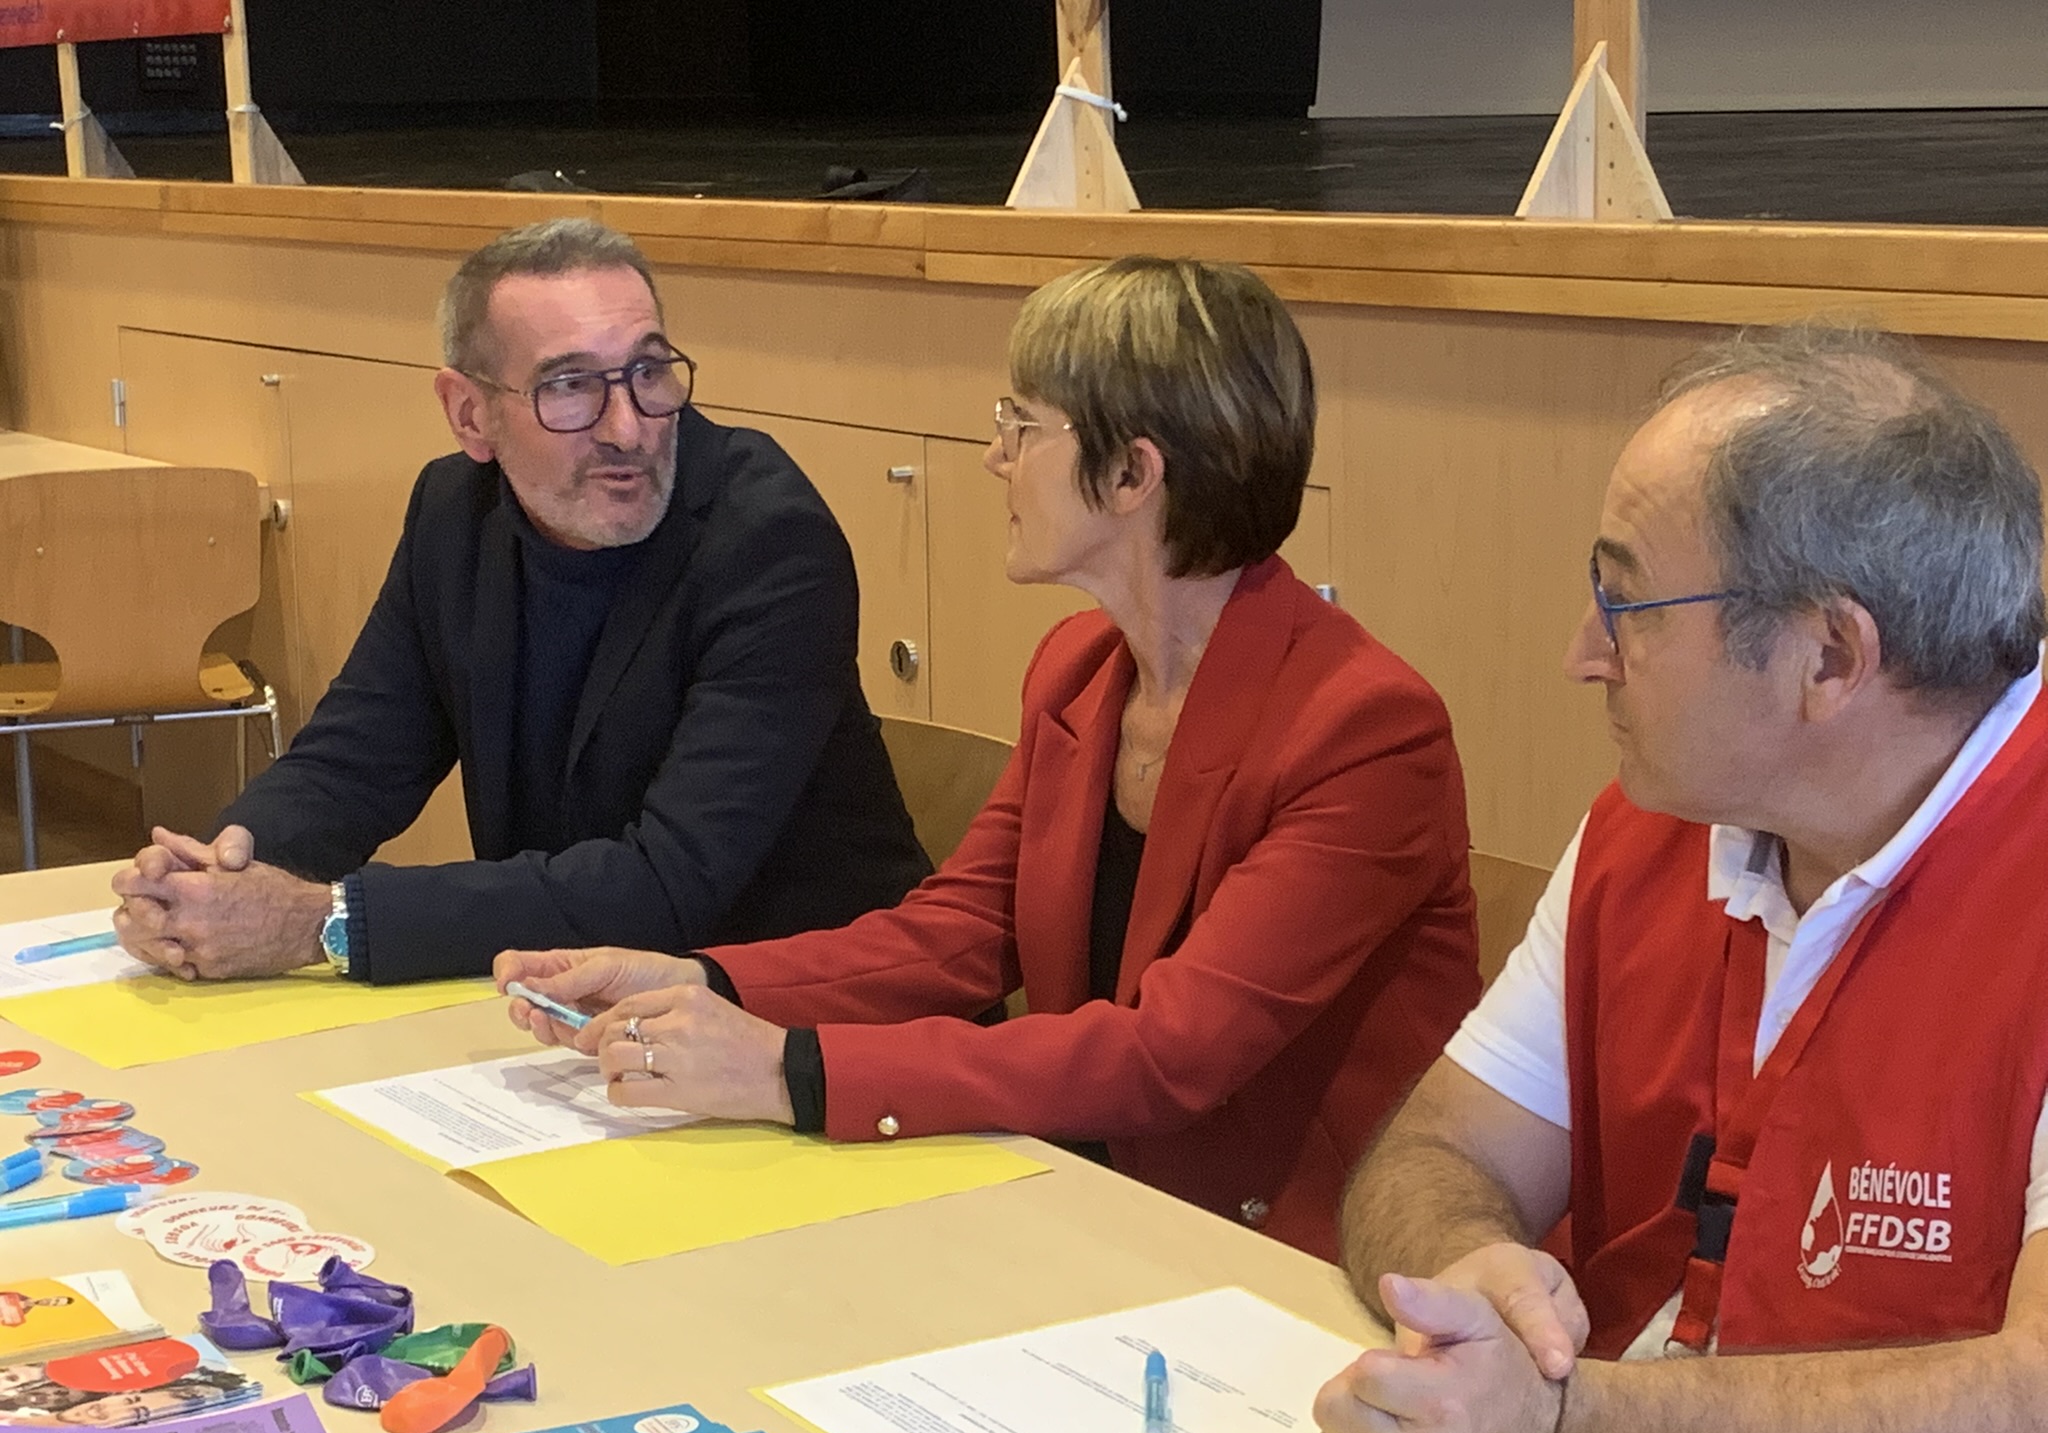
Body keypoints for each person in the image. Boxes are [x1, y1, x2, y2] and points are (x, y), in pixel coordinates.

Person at [496, 256, 1481, 1260]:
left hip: (1289, 1264)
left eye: (1020, 427)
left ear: (1132, 474)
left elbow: (1170, 1055)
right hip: (1082, 1205)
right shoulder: (1078, 671)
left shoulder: (1363, 729)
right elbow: (957, 934)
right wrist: (698, 978)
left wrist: (792, 1070)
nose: (990, 458)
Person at [1312, 326, 2048, 1433]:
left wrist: (1555, 1427)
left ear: (1827, 655)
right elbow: (1435, 1154)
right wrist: (1471, 1269)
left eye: (1628, 603)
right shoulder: (1650, 823)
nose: (1582, 655)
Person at [108, 218, 929, 985]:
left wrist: (327, 921)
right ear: (470, 414)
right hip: (583, 1014)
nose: (629, 427)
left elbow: (669, 883)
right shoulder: (453, 515)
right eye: (570, 386)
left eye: (647, 372)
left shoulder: (768, 540)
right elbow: (355, 761)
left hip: (793, 1017)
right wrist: (216, 869)